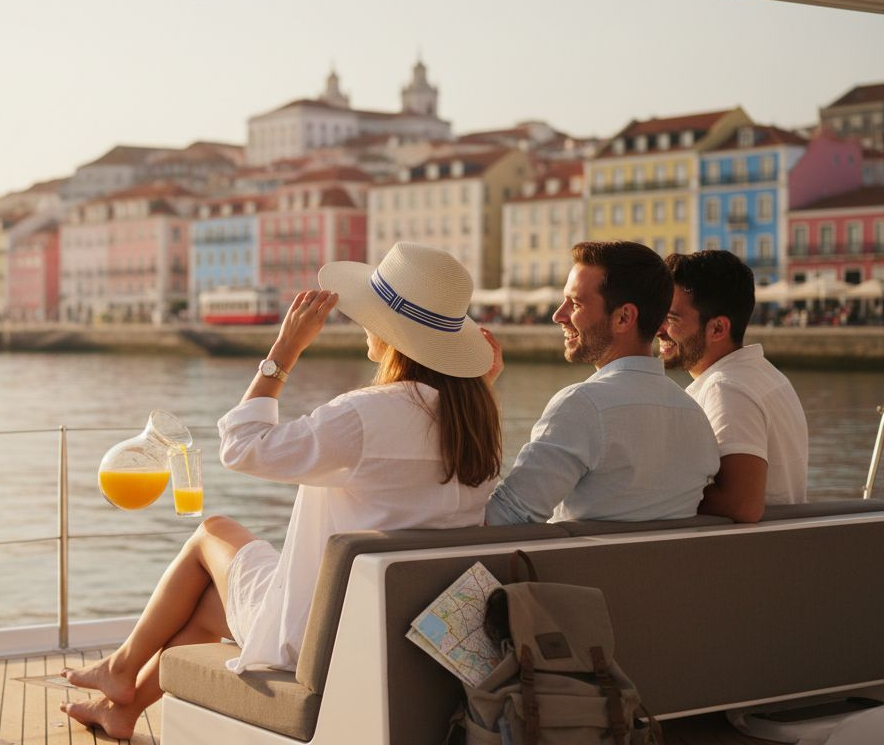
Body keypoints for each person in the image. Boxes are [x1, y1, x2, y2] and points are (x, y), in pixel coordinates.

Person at [60, 242, 503, 738]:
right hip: (400, 624)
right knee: (205, 610)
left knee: (212, 531)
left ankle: (121, 669)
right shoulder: (479, 424)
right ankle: (119, 704)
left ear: (389, 331)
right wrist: (483, 387)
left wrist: (283, 352)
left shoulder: (367, 414)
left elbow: (241, 446)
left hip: (319, 633)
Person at [485, 240, 719, 525]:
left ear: (624, 317)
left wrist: (479, 394)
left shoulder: (583, 406)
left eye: (575, 303)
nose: (558, 315)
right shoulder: (694, 414)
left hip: (578, 569)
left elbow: (504, 519)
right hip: (661, 568)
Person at [658, 250, 809, 522]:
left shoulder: (727, 388)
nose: (658, 329)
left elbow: (741, 504)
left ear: (717, 329)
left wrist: (646, 492)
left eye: (671, 319)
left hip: (745, 559)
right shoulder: (764, 375)